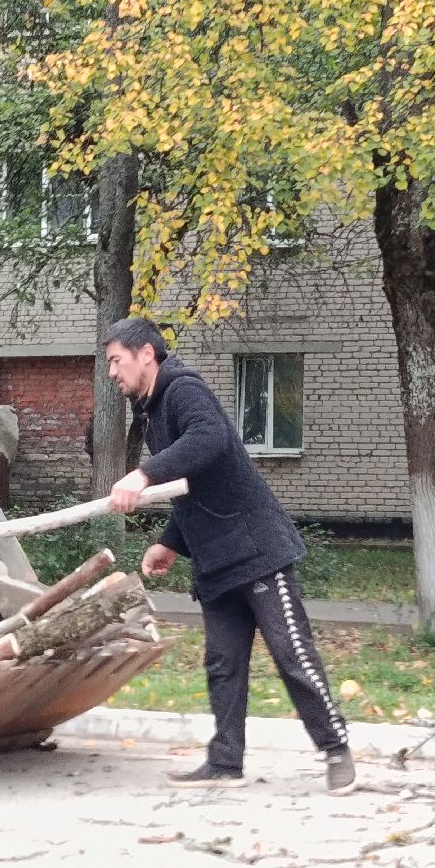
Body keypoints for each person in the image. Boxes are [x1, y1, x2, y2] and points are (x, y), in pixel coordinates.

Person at [102, 317, 355, 795]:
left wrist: (143, 475)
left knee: (292, 654)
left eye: (116, 361)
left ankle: (337, 749)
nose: (111, 373)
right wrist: (169, 542)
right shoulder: (152, 409)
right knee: (223, 663)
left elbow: (209, 440)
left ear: (146, 355)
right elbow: (195, 485)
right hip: (215, 558)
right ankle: (225, 762)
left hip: (257, 550)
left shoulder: (182, 388)